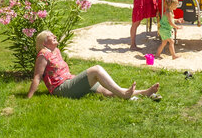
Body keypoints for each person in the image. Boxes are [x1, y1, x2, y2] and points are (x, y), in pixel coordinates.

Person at [26, 31, 160, 100]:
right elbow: (37, 77)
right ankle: (125, 94)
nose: (54, 35)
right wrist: (29, 98)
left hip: (69, 81)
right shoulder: (43, 55)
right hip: (61, 89)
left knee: (108, 91)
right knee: (96, 70)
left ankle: (145, 93)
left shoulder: (55, 51)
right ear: (44, 42)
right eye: (50, 36)